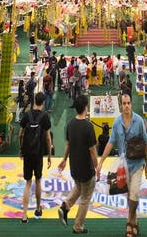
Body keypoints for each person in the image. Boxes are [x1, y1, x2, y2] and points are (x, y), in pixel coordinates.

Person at [96, 93, 147, 237]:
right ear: (121, 105)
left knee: (135, 192)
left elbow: (145, 143)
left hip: (138, 163)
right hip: (123, 165)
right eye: (124, 103)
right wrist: (101, 161)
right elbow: (110, 142)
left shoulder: (138, 121)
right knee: (129, 195)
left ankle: (129, 223)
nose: (127, 106)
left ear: (131, 104)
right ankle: (135, 222)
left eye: (128, 103)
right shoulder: (116, 122)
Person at [57, 93, 98, 234]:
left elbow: (67, 144)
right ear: (86, 107)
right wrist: (97, 167)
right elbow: (92, 150)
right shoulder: (88, 126)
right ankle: (78, 226)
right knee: (86, 198)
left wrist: (64, 159)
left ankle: (65, 206)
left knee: (79, 187)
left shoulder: (70, 124)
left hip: (74, 166)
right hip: (86, 168)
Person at [19, 91, 52, 222]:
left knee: (27, 182)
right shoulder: (45, 117)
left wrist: (21, 150)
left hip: (27, 153)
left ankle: (24, 215)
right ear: (43, 102)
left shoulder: (27, 115)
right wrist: (49, 154)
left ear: (34, 101)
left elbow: (20, 134)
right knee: (38, 180)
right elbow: (48, 138)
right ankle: (38, 209)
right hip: (38, 153)